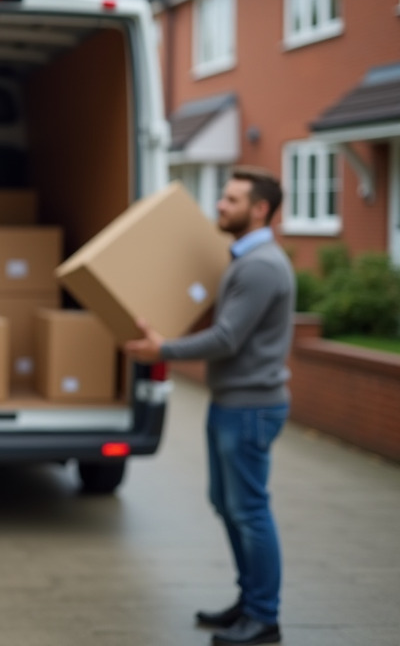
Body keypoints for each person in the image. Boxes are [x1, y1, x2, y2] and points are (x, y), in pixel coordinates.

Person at [124, 166, 294, 646]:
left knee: (249, 510)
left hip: (250, 407)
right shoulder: (245, 260)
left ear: (259, 209)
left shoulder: (260, 265)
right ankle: (249, 602)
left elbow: (227, 338)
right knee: (227, 504)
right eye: (223, 197)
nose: (220, 205)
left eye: (232, 199)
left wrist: (163, 351)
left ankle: (264, 617)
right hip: (234, 403)